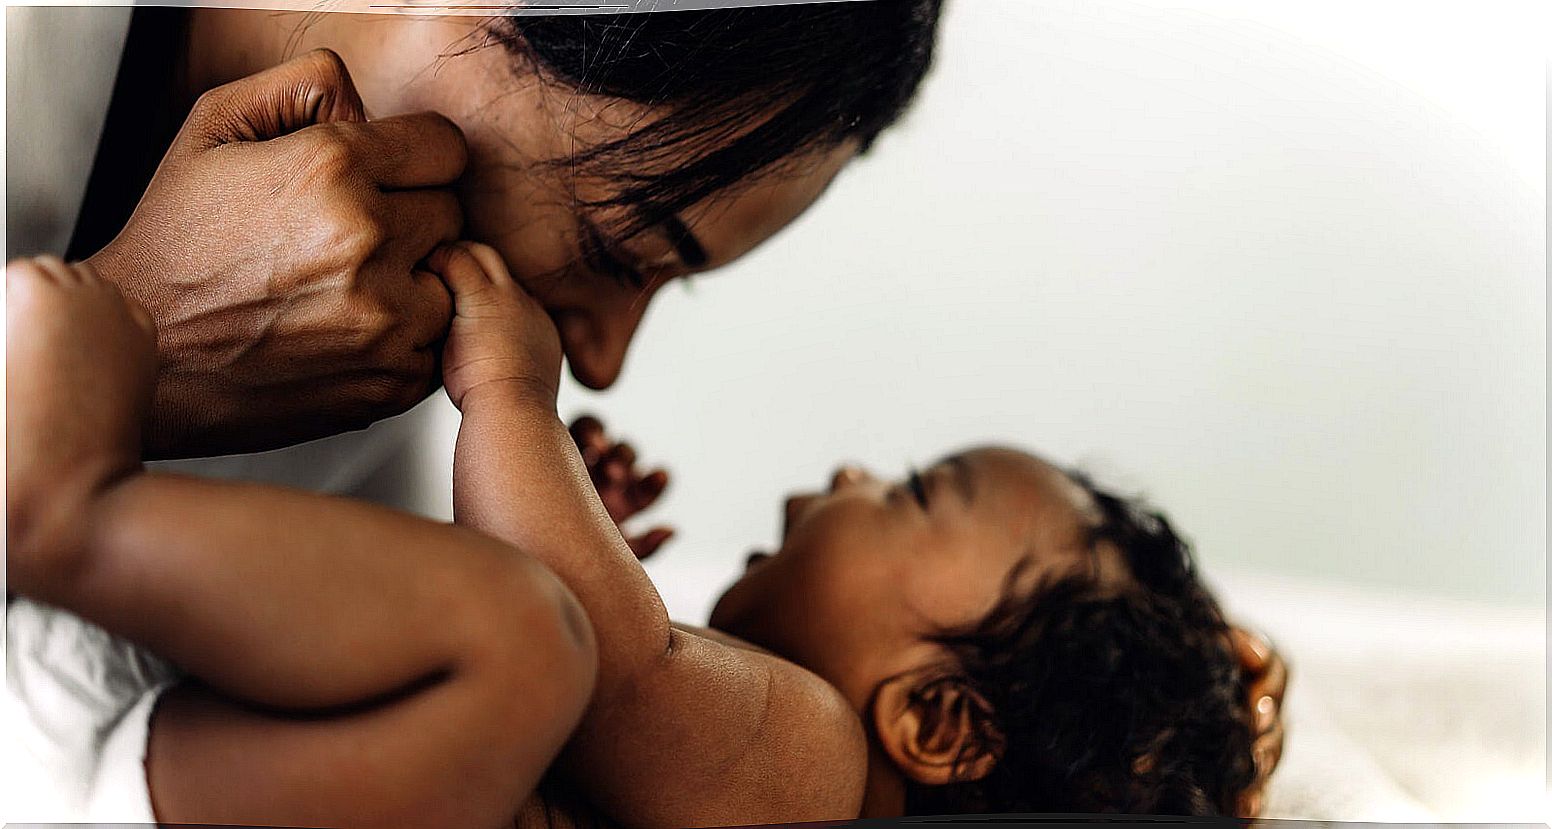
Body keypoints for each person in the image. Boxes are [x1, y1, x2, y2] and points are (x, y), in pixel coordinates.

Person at [8, 243, 1281, 826]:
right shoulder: (754, 777)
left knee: (523, 634)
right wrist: (554, 506)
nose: (842, 470)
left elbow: (618, 670)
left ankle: (63, 510)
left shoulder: (827, 773)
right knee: (521, 625)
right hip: (195, 775)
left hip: (145, 784)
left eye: (905, 492)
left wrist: (512, 403)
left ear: (935, 725)